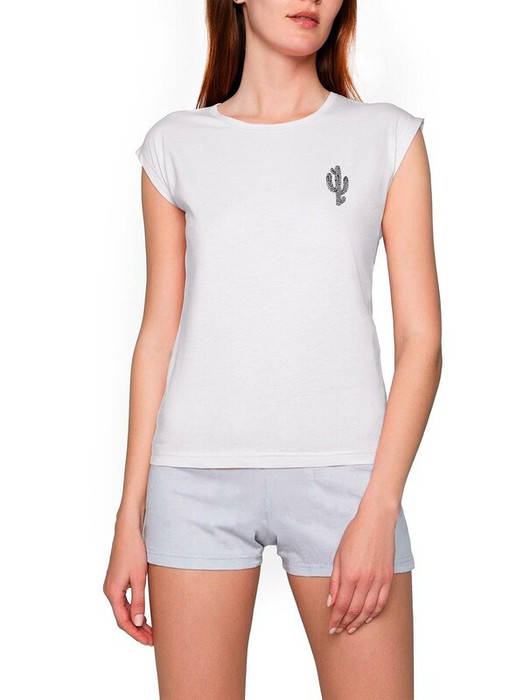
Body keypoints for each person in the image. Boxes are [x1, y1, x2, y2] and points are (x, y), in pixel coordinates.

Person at [103, 1, 442, 697]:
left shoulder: (386, 137)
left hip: (348, 483)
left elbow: (422, 341)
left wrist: (380, 506)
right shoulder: (174, 146)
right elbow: (157, 335)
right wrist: (128, 518)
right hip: (192, 482)